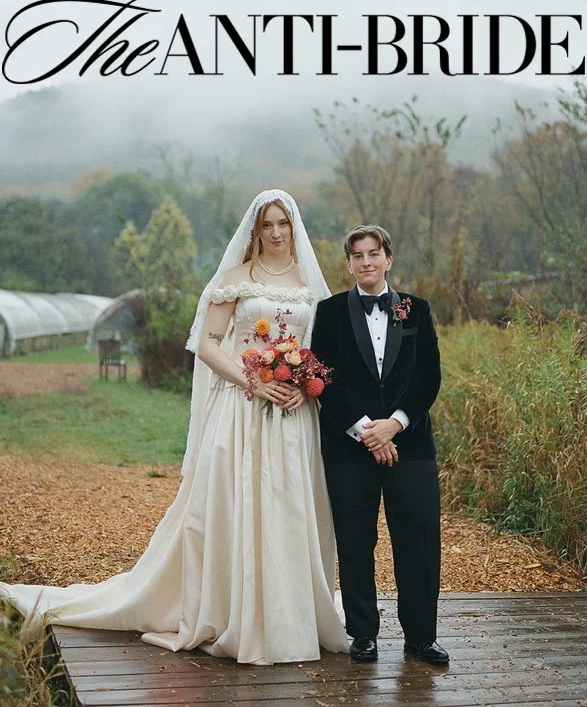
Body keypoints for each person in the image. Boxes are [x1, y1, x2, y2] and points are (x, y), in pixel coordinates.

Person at [0, 189, 349, 665]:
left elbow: (321, 351)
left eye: (282, 224)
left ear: (294, 227)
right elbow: (208, 345)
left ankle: (289, 615)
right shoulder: (235, 278)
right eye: (266, 224)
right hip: (242, 408)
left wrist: (304, 387)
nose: (275, 233)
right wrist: (254, 379)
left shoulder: (310, 284)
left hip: (293, 417)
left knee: (288, 505)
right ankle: (233, 609)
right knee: (238, 502)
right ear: (254, 229)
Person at [311, 224, 449, 665]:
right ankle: (363, 634)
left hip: (411, 445)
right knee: (355, 540)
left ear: (388, 259)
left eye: (374, 254)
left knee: (419, 539)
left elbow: (428, 376)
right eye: (358, 256)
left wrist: (395, 424)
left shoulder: (416, 309)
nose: (366, 262)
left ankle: (421, 638)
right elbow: (323, 379)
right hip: (350, 448)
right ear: (348, 264)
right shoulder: (329, 312)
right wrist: (366, 431)